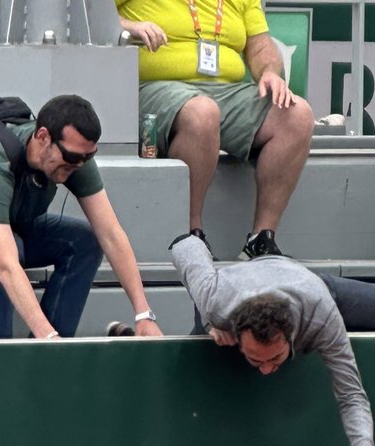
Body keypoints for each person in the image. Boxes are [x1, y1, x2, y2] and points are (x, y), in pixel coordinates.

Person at [0, 94, 162, 341]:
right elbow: (4, 265)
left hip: (2, 227)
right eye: (72, 157)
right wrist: (46, 334)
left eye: (88, 157)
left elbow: (111, 234)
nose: (78, 165)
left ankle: (46, 358)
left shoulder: (74, 156)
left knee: (85, 241)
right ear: (43, 136)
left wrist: (144, 314)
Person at [170, 231, 375, 446]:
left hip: (310, 286)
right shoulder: (216, 302)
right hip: (237, 283)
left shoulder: (321, 316)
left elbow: (351, 394)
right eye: (255, 360)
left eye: (275, 358)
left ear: (291, 335)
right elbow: (185, 243)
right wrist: (208, 322)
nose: (267, 371)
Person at [115, 0, 314, 259]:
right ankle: (191, 237)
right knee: (203, 113)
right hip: (155, 85)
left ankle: (261, 240)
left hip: (225, 90)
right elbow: (90, 21)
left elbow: (260, 44)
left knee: (297, 114)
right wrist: (130, 26)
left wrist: (269, 72)